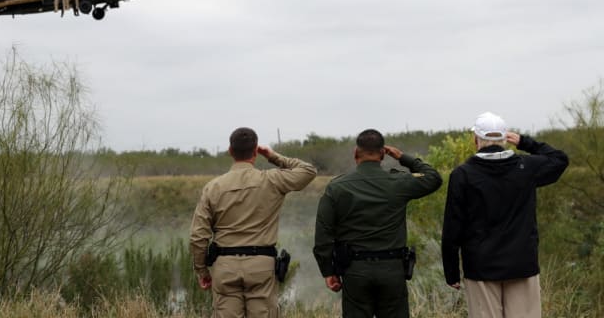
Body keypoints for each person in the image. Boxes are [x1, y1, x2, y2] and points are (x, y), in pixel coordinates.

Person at [441, 112, 569, 318]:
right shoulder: (527, 167)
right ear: (506, 139)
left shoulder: (463, 174)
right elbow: (560, 159)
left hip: (480, 267)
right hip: (522, 263)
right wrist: (525, 142)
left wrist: (452, 272)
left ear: (476, 140)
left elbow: (453, 226)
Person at [313, 128, 442, 318]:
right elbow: (433, 178)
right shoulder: (398, 182)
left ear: (356, 153)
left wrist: (328, 270)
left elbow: (324, 233)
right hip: (392, 269)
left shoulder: (337, 187)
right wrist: (403, 157)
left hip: (355, 270)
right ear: (383, 154)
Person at [189, 127, 317, 317]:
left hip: (225, 266)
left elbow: (198, 236)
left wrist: (202, 271)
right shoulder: (272, 180)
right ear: (256, 151)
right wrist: (273, 156)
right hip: (261, 266)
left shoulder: (213, 187)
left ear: (230, 151)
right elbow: (308, 171)